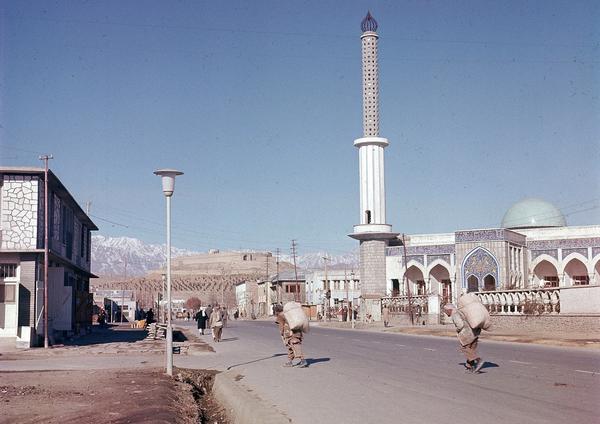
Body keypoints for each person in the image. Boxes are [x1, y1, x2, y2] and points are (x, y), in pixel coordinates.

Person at [443, 304, 484, 373]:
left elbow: (460, 325)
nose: (445, 313)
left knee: (465, 348)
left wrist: (457, 330)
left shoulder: (455, 314)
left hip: (467, 334)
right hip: (475, 332)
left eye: (446, 311)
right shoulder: (461, 312)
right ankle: (470, 367)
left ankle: (478, 360)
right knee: (471, 349)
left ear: (449, 310)